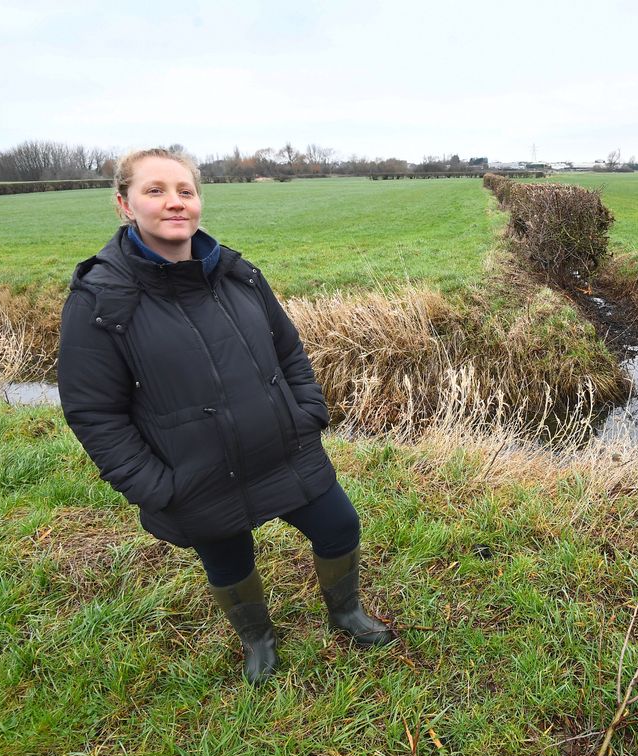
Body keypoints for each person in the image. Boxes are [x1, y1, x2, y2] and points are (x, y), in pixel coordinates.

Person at [58, 148, 395, 684]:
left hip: (283, 449)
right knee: (229, 563)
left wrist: (306, 412)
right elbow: (94, 412)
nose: (174, 203)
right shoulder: (101, 299)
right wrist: (156, 485)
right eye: (155, 191)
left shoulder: (238, 274)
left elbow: (290, 350)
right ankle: (258, 640)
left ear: (198, 201)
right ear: (124, 205)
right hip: (196, 475)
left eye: (185, 191)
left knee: (339, 526)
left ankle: (346, 614)